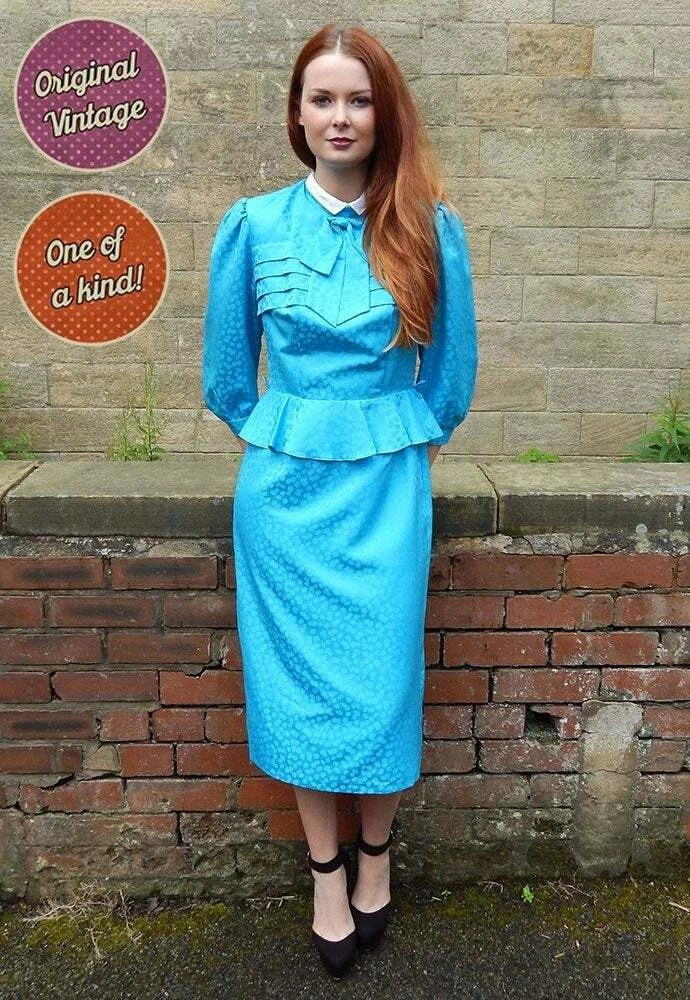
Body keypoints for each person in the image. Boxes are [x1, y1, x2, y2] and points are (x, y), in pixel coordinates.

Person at [202, 23, 478, 978]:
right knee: (297, 689)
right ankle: (324, 870)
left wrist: (389, 439)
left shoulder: (429, 227)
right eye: (322, 98)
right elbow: (228, 378)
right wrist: (295, 432)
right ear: (297, 113)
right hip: (282, 498)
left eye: (359, 99)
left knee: (382, 678)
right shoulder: (251, 225)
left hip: (386, 493)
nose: (341, 117)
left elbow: (449, 381)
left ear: (383, 113)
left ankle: (376, 856)